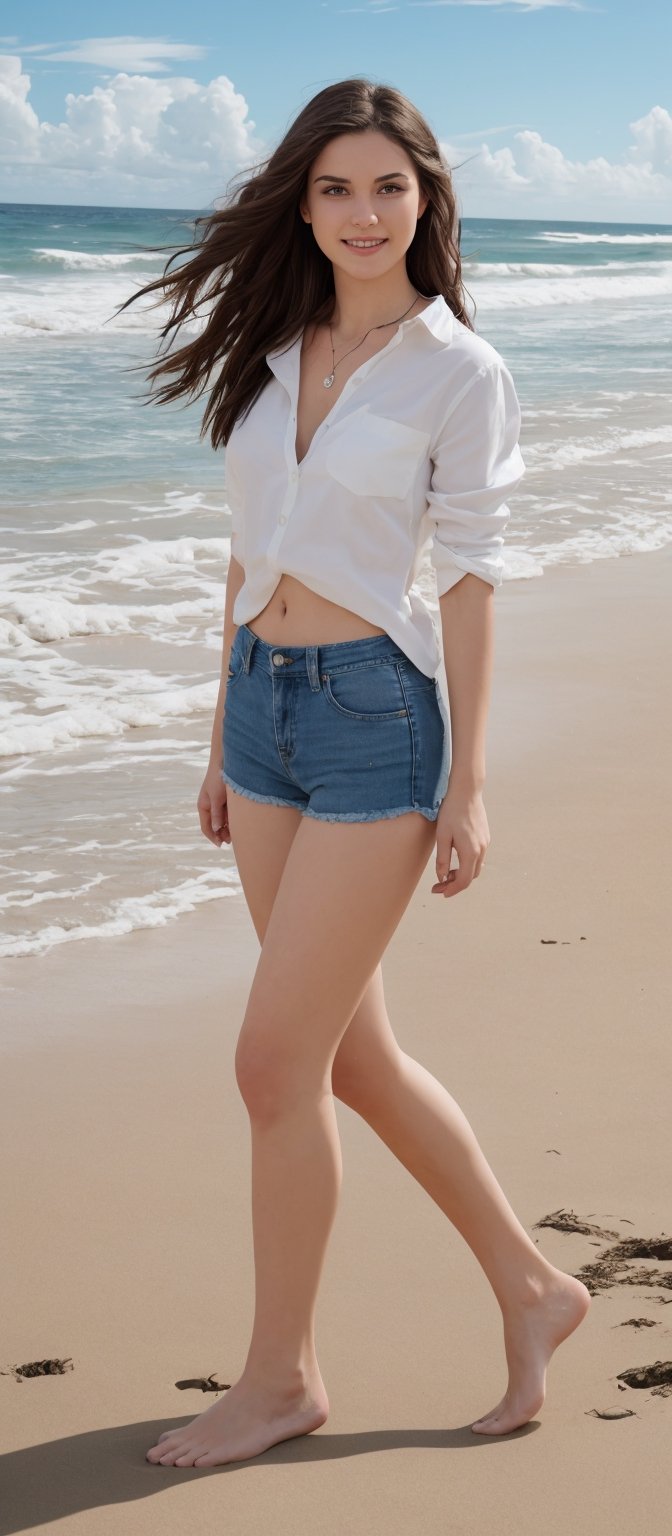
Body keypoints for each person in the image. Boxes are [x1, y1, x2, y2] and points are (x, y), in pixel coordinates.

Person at [123, 77, 591, 1471]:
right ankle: (535, 1286)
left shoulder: (463, 371)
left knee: (274, 1063)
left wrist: (473, 783)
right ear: (304, 203)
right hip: (265, 716)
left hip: (377, 724)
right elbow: (244, 552)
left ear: (429, 201)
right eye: (335, 188)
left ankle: (281, 1378)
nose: (363, 213)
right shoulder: (276, 347)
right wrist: (217, 735)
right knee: (352, 1058)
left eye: (389, 187)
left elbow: (472, 577)